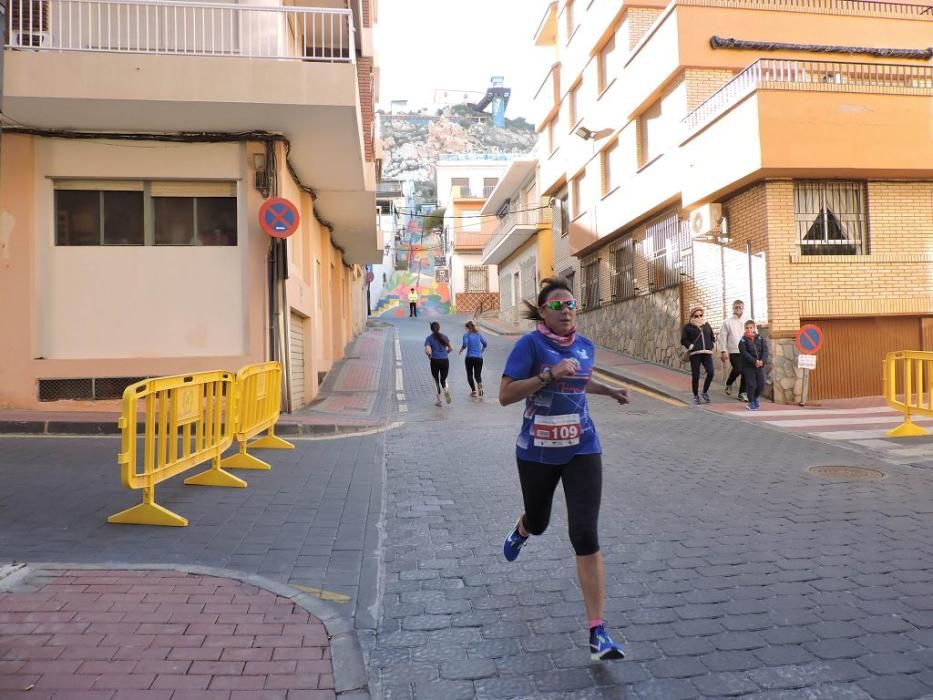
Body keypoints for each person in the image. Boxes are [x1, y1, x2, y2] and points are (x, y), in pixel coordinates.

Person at [499, 277, 631, 662]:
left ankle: (598, 633)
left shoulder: (585, 346)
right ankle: (523, 529)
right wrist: (547, 375)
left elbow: (582, 378)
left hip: (582, 449)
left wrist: (611, 392)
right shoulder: (530, 345)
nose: (567, 310)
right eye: (558, 305)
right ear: (544, 312)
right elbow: (505, 395)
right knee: (540, 521)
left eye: (571, 304)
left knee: (585, 533)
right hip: (537, 452)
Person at [681, 306, 716, 405]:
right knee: (696, 375)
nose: (699, 317)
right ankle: (696, 395)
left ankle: (704, 392)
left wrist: (712, 344)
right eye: (696, 316)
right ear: (692, 316)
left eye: (700, 315)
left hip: (707, 353)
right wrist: (690, 346)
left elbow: (712, 337)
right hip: (695, 354)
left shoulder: (707, 325)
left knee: (711, 372)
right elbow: (683, 340)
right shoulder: (688, 327)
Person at [719, 299, 749, 402]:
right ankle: (729, 382)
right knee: (738, 369)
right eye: (736, 307)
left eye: (740, 307)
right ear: (733, 308)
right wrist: (723, 351)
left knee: (746, 371)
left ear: (743, 308)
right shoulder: (727, 322)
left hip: (746, 351)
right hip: (734, 351)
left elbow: (754, 334)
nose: (738, 309)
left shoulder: (748, 320)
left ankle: (742, 393)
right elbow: (722, 337)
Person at [738, 320, 768, 411]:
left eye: (751, 327)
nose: (749, 329)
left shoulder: (760, 338)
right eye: (747, 328)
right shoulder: (743, 340)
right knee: (752, 385)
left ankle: (754, 398)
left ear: (754, 328)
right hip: (749, 366)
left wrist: (762, 361)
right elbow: (744, 353)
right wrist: (754, 361)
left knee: (761, 384)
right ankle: (751, 402)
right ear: (745, 329)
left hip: (760, 366)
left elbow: (765, 350)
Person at [424, 321, 453, 406]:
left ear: (431, 329)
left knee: (436, 379)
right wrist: (445, 353)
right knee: (443, 379)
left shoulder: (429, 338)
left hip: (435, 360)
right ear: (439, 328)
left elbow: (427, 350)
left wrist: (429, 355)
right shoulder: (445, 337)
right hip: (444, 360)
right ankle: (446, 390)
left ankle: (439, 400)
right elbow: (451, 348)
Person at [459, 320, 488, 398]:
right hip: (479, 358)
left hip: (469, 358)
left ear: (468, 328)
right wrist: (481, 351)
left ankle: (474, 391)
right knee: (477, 375)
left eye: (466, 328)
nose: (465, 329)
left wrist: (462, 349)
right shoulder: (478, 335)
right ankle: (480, 387)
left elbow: (465, 344)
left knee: (470, 374)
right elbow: (485, 344)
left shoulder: (466, 335)